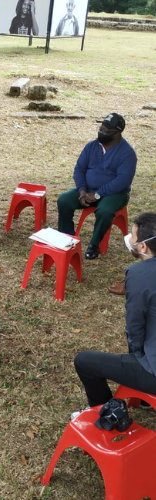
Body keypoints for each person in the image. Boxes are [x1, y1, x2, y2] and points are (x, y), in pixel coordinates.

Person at [73, 213, 156, 415]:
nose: (131, 240)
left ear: (143, 246)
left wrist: (137, 356)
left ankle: (103, 409)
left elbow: (134, 325)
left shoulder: (138, 274)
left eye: (134, 237)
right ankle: (143, 399)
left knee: (84, 361)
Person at [57, 113, 137, 260]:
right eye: (100, 128)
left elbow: (123, 181)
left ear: (117, 133)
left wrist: (98, 194)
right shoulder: (91, 146)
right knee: (64, 200)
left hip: (115, 193)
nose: (101, 132)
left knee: (105, 211)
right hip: (88, 189)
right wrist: (82, 190)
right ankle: (66, 237)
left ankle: (94, 244)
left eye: (106, 131)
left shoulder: (127, 153)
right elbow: (79, 169)